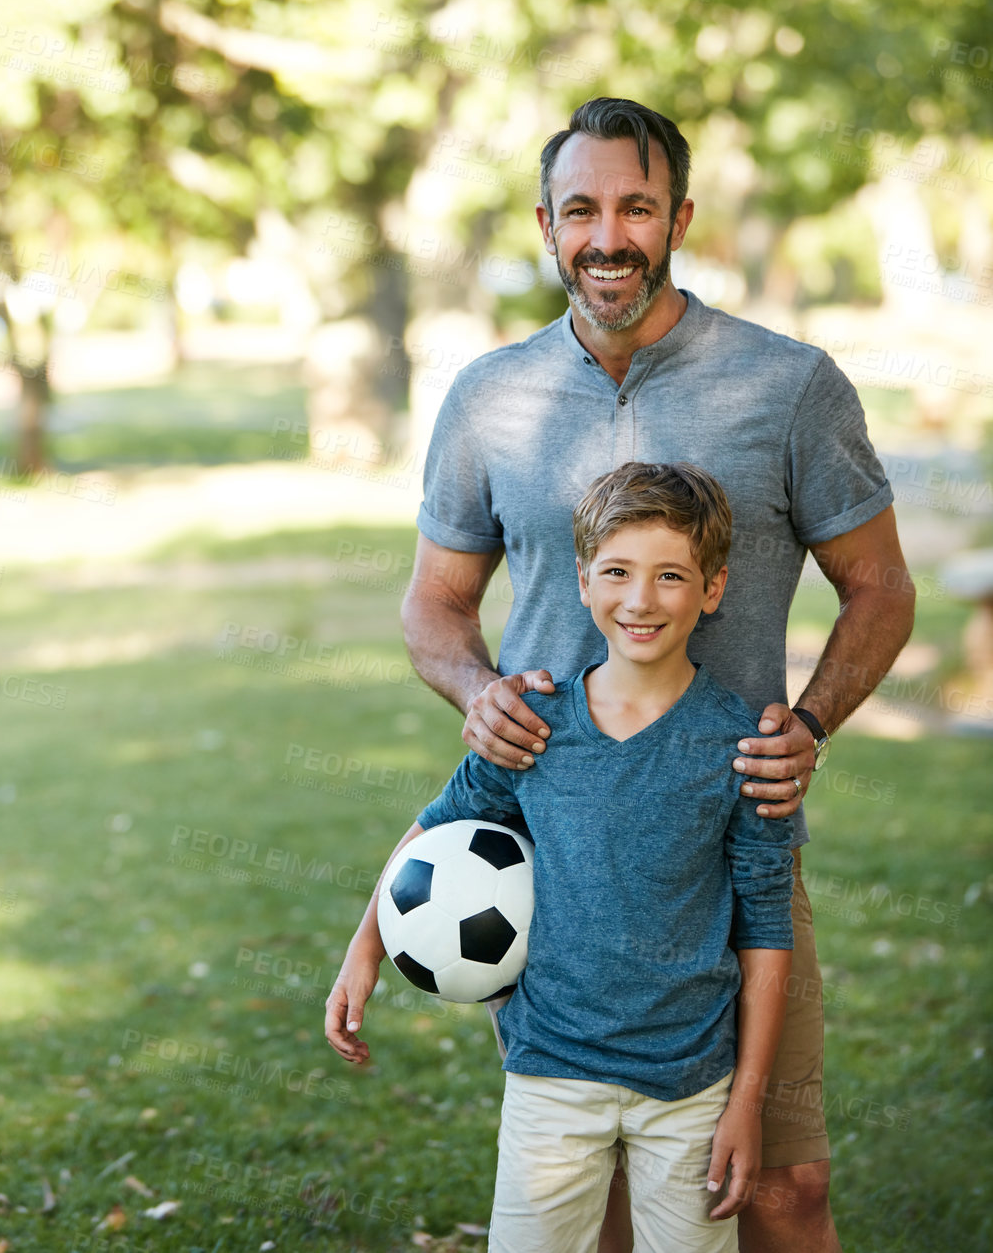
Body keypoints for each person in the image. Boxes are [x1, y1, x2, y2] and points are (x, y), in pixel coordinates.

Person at [396, 97, 916, 1252]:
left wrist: (811, 725)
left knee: (782, 1190)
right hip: (558, 863)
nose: (607, 236)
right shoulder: (489, 396)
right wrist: (475, 688)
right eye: (580, 210)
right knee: (615, 1204)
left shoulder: (788, 385)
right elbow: (433, 607)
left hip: (722, 840)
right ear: (545, 224)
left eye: (635, 206)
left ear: (678, 216)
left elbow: (880, 589)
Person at [327, 461, 795, 1252]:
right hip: (549, 1071)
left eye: (670, 575)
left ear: (712, 588)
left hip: (688, 1085)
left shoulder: (743, 746)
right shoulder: (533, 725)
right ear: (582, 581)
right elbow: (436, 829)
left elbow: (766, 925)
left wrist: (745, 1098)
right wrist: (363, 947)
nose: (639, 599)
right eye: (616, 571)